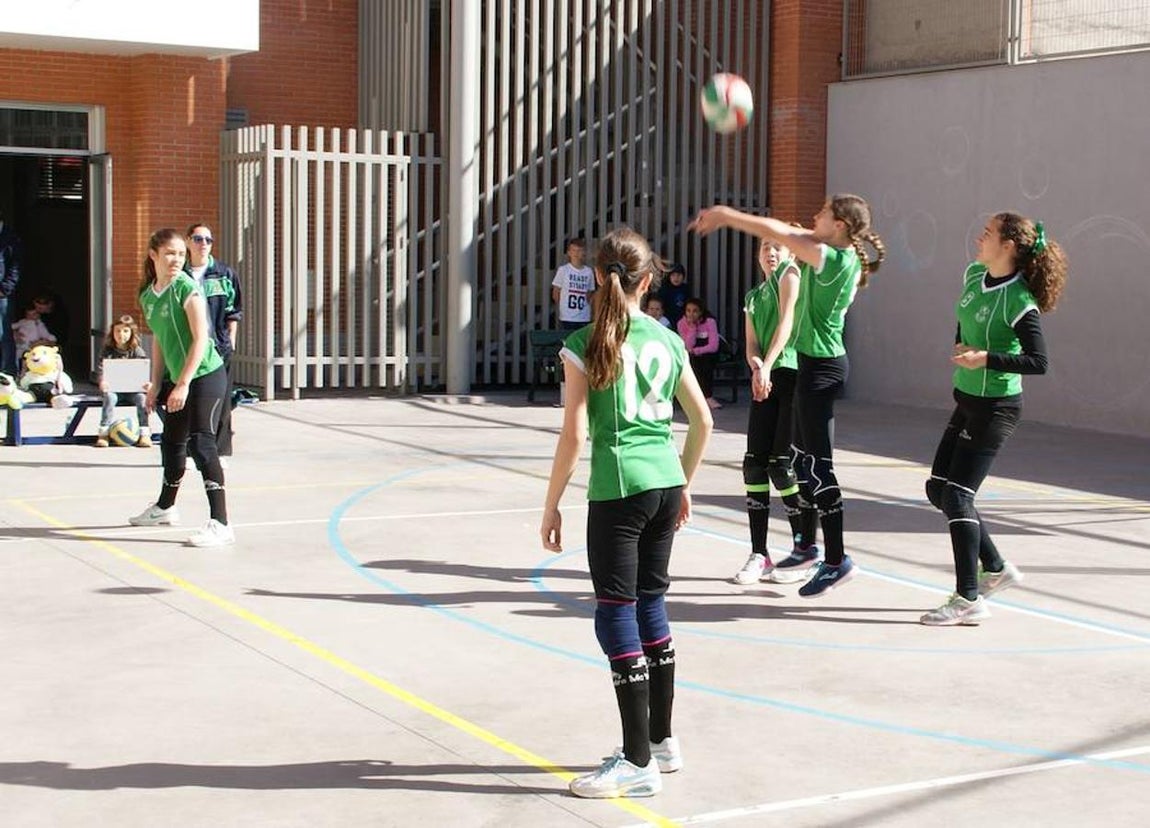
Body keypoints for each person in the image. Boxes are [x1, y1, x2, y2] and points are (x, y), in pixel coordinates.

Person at [540, 227, 713, 799]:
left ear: (596, 276)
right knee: (651, 606)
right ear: (648, 280)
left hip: (619, 487)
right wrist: (682, 482)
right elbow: (703, 421)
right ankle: (661, 742)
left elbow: (574, 434)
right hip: (663, 482)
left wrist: (552, 504)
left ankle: (637, 762)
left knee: (615, 615)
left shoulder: (587, 341)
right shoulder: (667, 338)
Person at [690, 194, 885, 597]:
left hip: (822, 368)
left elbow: (777, 231)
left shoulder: (833, 259)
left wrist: (728, 215)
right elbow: (791, 233)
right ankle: (807, 547)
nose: (815, 215)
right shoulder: (831, 251)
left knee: (817, 467)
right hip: (814, 366)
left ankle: (835, 559)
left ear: (840, 226)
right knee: (798, 461)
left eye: (823, 213)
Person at [920, 214, 1067, 626]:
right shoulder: (974, 274)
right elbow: (964, 315)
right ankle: (997, 568)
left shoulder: (1019, 301)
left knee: (957, 496)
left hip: (996, 407)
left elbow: (1038, 361)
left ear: (1008, 246)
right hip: (966, 399)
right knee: (938, 488)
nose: (980, 237)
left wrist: (986, 358)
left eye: (988, 233)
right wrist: (961, 342)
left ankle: (968, 598)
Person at [129, 229, 234, 548]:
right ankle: (164, 508)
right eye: (170, 253)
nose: (176, 259)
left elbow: (201, 339)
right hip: (179, 378)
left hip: (206, 374)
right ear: (154, 255)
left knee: (201, 443)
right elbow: (160, 340)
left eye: (180, 254)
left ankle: (221, 523)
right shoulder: (148, 295)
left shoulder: (187, 288)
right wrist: (156, 383)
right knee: (172, 443)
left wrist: (184, 384)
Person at [733, 238, 821, 585]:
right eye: (765, 247)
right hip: (767, 376)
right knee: (754, 463)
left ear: (789, 254)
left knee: (783, 465)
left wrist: (767, 364)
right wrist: (756, 365)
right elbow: (751, 341)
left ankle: (806, 552)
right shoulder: (753, 296)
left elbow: (786, 324)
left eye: (778, 247)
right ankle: (760, 554)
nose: (771, 252)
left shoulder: (791, 275)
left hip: (792, 375)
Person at [184, 223, 243, 466]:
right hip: (188, 346)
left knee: (221, 399)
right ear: (188, 241)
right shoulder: (181, 275)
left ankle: (219, 452)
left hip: (218, 346)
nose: (204, 244)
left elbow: (234, 310)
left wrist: (231, 339)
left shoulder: (224, 273)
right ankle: (189, 451)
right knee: (189, 399)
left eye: (208, 240)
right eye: (198, 239)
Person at [94, 314, 152, 449]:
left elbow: (143, 370)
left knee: (141, 399)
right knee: (109, 398)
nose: (121, 334)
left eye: (125, 331)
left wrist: (147, 384)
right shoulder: (107, 351)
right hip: (114, 389)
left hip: (133, 390)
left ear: (131, 333)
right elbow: (101, 370)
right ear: (112, 332)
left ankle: (144, 433)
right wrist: (102, 382)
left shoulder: (137, 351)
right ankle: (103, 433)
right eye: (118, 331)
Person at [676, 297, 722, 410]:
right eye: (688, 311)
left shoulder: (710, 322)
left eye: (695, 311)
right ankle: (694, 397)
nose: (691, 314)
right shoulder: (681, 323)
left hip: (708, 354)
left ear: (701, 312)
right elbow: (687, 346)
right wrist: (692, 328)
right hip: (692, 355)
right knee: (692, 363)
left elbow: (713, 346)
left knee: (706, 363)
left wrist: (697, 351)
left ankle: (708, 397)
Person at [551, 236, 595, 331]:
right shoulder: (563, 270)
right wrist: (564, 308)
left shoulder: (588, 272)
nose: (576, 253)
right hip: (567, 316)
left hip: (584, 316)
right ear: (569, 253)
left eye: (579, 250)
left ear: (584, 252)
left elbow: (589, 294)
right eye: (573, 250)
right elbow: (556, 293)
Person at [0, 214, 24, 375]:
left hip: (2, 294)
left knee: (4, 333)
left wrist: (5, 289)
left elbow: (16, 266)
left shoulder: (11, 239)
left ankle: (8, 371)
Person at [657, 263, 689, 328]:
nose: (676, 278)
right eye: (673, 275)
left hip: (682, 319)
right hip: (666, 319)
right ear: (669, 276)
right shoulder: (664, 289)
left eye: (679, 275)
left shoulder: (685, 289)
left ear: (683, 276)